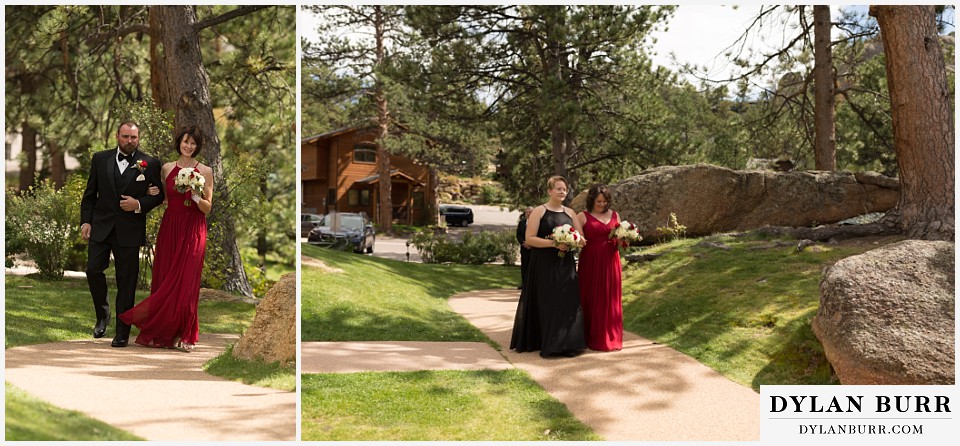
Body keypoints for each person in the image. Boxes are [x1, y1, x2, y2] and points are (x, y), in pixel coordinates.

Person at [119, 126, 214, 352]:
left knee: (187, 283)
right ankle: (166, 332)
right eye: (185, 142)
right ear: (179, 143)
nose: (188, 146)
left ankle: (187, 335)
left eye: (193, 143)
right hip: (171, 227)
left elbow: (208, 208)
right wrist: (147, 195)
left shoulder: (206, 171)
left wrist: (195, 195)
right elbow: (162, 198)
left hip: (194, 229)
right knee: (165, 280)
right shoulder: (166, 168)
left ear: (197, 146)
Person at [81, 121, 166, 347]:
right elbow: (90, 195)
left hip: (129, 230)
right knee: (92, 269)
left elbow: (158, 196)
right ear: (117, 136)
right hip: (101, 226)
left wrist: (138, 203)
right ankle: (103, 313)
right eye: (126, 136)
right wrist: (85, 222)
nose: (130, 141)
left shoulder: (150, 163)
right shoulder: (100, 159)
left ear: (139, 138)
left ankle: (122, 332)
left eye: (134, 137)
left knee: (126, 281)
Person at [510, 176, 586, 358]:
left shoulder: (570, 213)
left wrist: (575, 241)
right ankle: (548, 342)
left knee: (566, 302)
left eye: (564, 189)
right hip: (544, 264)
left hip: (565, 264)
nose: (562, 192)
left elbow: (582, 238)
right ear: (549, 191)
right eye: (558, 189)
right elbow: (530, 238)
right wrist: (553, 244)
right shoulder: (539, 211)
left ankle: (566, 344)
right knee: (548, 302)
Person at [576, 184, 623, 351]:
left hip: (611, 260)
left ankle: (610, 336)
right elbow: (578, 239)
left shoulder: (615, 215)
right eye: (598, 201)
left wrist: (624, 239)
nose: (602, 204)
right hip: (591, 260)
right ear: (591, 200)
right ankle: (588, 336)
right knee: (590, 295)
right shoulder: (582, 216)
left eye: (604, 201)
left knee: (609, 296)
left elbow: (619, 240)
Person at [515, 206, 533, 290]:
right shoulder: (522, 223)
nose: (528, 213)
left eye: (530, 212)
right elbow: (518, 235)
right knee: (524, 266)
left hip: (534, 249)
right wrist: (524, 243)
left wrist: (531, 243)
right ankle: (524, 284)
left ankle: (532, 285)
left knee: (533, 267)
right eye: (527, 212)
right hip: (524, 248)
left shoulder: (537, 223)